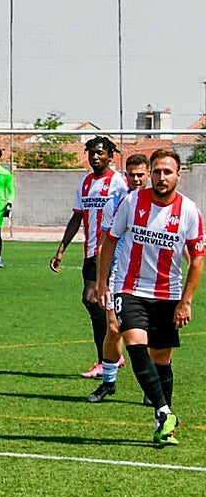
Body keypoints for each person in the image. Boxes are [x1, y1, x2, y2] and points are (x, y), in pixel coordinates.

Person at [96, 149, 204, 446]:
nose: (161, 177)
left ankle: (162, 423)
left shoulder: (189, 211)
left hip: (168, 293)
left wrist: (186, 301)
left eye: (167, 172)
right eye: (157, 171)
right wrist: (103, 283)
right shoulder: (132, 202)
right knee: (134, 341)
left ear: (178, 175)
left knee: (162, 358)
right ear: (151, 174)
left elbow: (197, 258)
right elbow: (110, 240)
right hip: (130, 287)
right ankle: (165, 411)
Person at [50, 137, 130, 379]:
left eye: (100, 153)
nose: (95, 157)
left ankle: (107, 358)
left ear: (110, 156)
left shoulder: (118, 182)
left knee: (93, 299)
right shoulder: (85, 184)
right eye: (91, 153)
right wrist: (61, 249)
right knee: (94, 302)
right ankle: (113, 352)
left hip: (109, 251)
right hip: (90, 250)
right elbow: (77, 217)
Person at [87, 152, 149, 404]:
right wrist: (101, 281)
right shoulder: (115, 203)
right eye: (131, 175)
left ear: (148, 175)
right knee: (113, 328)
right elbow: (104, 243)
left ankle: (151, 387)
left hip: (150, 277)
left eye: (140, 175)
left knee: (150, 336)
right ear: (126, 176)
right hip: (119, 275)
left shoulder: (158, 203)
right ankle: (109, 382)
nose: (136, 179)